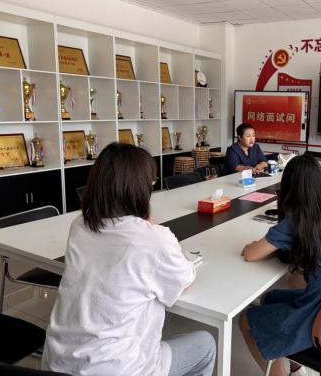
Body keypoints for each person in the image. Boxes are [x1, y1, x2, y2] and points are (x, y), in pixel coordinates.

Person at [42, 143, 215, 376]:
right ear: (139, 189)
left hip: (56, 365)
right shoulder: (153, 239)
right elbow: (184, 280)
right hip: (116, 369)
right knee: (206, 345)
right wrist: (152, 228)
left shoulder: (80, 224)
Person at [239, 154, 321, 376]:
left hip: (318, 314)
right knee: (270, 298)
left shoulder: (297, 221)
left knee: (245, 320)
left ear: (289, 187)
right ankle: (295, 367)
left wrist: (253, 246)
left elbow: (250, 255)